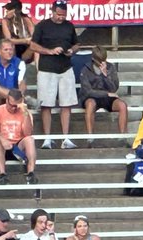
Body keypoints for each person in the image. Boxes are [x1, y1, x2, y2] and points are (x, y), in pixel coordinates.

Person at [30, 0, 80, 150]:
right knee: (46, 105)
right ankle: (47, 139)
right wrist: (49, 51)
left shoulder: (69, 25)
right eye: (58, 14)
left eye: (63, 15)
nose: (61, 17)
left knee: (67, 104)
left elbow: (77, 44)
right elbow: (32, 45)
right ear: (52, 11)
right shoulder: (42, 25)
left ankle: (65, 138)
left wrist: (72, 50)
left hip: (65, 67)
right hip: (46, 68)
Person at [0, 90, 38, 185]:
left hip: (17, 146)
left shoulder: (25, 113)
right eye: (11, 105)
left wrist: (25, 113)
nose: (14, 108)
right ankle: (2, 174)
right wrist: (3, 140)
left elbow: (28, 133)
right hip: (1, 144)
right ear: (6, 100)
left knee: (30, 140)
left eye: (16, 106)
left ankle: (31, 172)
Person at [79, 46, 127, 146]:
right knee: (90, 104)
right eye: (100, 60)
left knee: (122, 105)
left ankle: (123, 137)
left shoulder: (111, 67)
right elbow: (87, 91)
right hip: (92, 97)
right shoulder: (86, 70)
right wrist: (105, 93)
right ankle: (90, 138)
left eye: (104, 60)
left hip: (107, 98)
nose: (102, 62)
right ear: (93, 59)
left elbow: (114, 88)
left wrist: (106, 76)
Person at [0, 38, 26, 109]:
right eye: (6, 50)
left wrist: (17, 94)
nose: (9, 52)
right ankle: (21, 101)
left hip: (15, 92)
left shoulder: (20, 63)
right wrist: (14, 96)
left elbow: (21, 83)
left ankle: (17, 100)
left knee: (23, 83)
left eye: (11, 50)